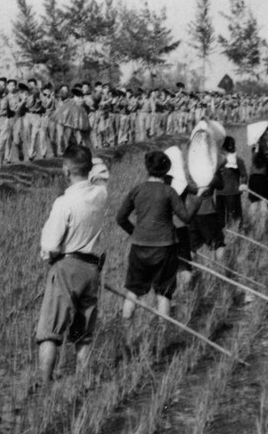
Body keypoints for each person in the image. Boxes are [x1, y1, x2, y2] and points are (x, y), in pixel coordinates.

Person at [35, 145, 107, 383]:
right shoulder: (100, 195)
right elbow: (99, 175)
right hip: (92, 268)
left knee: (50, 332)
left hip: (67, 267)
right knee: (82, 333)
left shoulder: (64, 203)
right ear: (89, 168)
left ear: (65, 169)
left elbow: (50, 246)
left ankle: (44, 386)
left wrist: (50, 260)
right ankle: (83, 382)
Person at [116, 151, 204, 322]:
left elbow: (120, 218)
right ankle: (162, 332)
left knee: (133, 290)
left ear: (147, 168)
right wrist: (197, 200)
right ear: (167, 170)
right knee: (164, 292)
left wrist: (134, 232)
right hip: (165, 247)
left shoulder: (137, 190)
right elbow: (185, 218)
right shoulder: (169, 192)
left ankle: (125, 327)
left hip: (140, 246)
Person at [216, 136, 248, 228]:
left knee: (233, 217)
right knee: (220, 217)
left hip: (232, 192)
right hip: (220, 192)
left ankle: (234, 234)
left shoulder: (237, 160)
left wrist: (243, 184)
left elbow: (244, 174)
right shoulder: (219, 161)